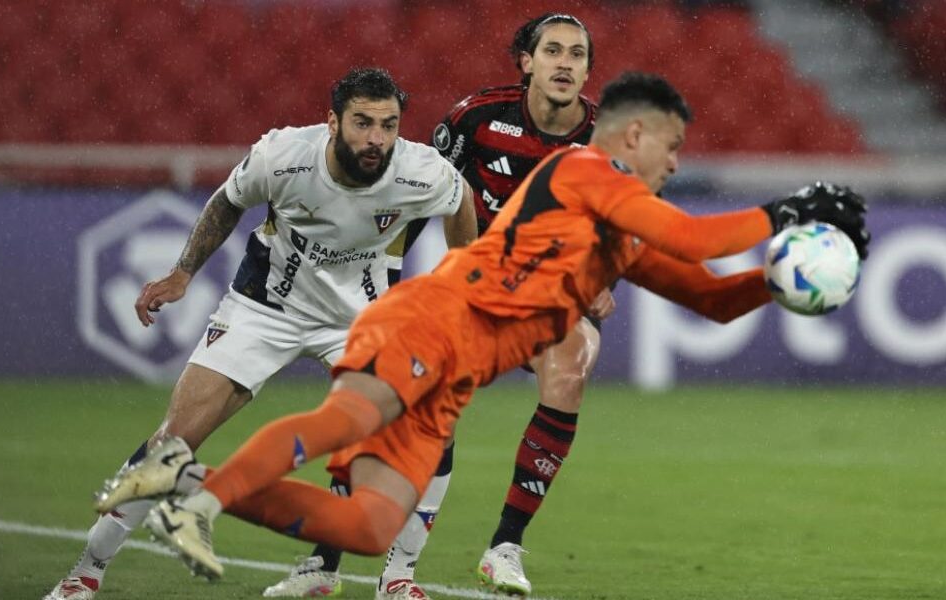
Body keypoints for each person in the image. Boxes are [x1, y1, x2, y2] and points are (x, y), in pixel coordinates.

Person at [97, 71, 870, 594]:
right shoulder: (581, 171)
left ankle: (184, 481)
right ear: (634, 135)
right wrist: (792, 209)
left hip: (458, 371)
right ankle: (196, 503)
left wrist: (779, 283)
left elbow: (710, 297)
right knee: (349, 417)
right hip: (433, 319)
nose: (675, 164)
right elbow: (696, 238)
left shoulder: (620, 233)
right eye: (672, 148)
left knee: (367, 525)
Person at [43, 67, 477, 600]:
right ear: (332, 122)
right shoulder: (283, 156)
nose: (376, 139)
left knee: (434, 425)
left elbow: (461, 201)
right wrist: (182, 273)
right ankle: (85, 572)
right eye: (362, 123)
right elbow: (227, 201)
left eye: (388, 125)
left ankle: (398, 578)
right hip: (265, 308)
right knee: (173, 440)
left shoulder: (419, 170)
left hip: (362, 320)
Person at [267, 13, 607, 598]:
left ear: (587, 70)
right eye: (553, 50)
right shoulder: (476, 118)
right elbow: (418, 200)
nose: (565, 63)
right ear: (526, 62)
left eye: (577, 54)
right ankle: (326, 560)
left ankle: (505, 547)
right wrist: (385, 283)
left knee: (570, 366)